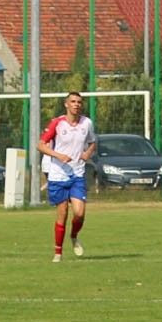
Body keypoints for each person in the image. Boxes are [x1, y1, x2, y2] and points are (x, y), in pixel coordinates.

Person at [38, 92, 97, 262]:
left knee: (79, 213)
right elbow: (40, 145)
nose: (76, 104)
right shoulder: (57, 123)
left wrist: (87, 153)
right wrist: (58, 155)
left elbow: (93, 142)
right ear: (66, 104)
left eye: (79, 102)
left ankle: (74, 236)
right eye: (73, 101)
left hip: (77, 174)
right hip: (58, 175)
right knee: (62, 213)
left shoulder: (87, 123)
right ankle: (58, 253)